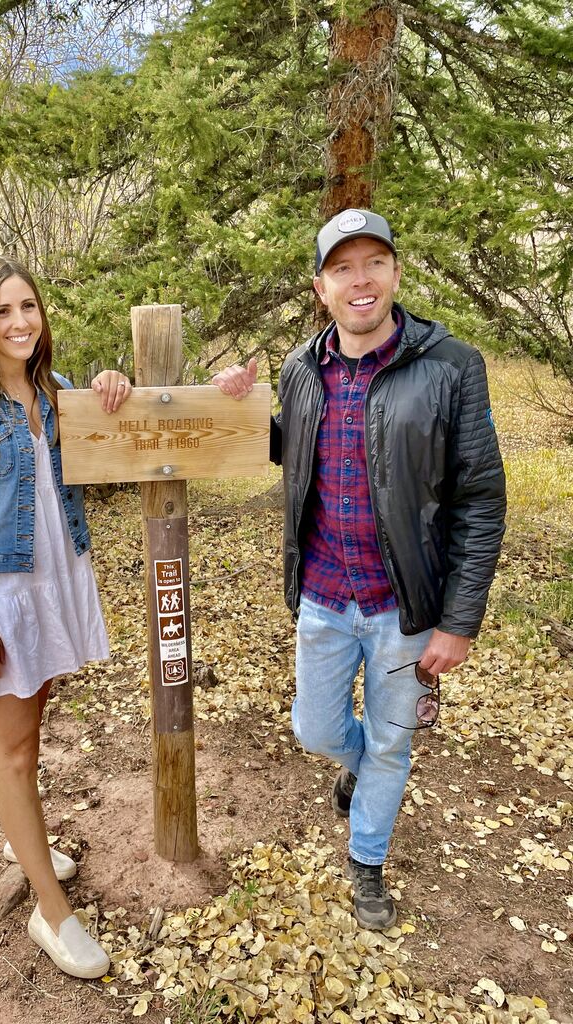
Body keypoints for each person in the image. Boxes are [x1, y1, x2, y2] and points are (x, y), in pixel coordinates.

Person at [212, 209, 506, 929]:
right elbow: (296, 445)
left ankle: (367, 858)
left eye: (374, 261)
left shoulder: (451, 367)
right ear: (322, 287)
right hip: (322, 594)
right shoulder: (300, 368)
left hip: (406, 606)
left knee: (391, 741)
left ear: (396, 273)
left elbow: (481, 499)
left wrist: (458, 622)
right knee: (316, 730)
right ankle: (359, 764)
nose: (360, 280)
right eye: (342, 267)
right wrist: (243, 407)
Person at [0, 254, 132, 977]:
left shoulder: (58, 391)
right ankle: (51, 912)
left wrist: (115, 388)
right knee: (12, 751)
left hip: (57, 579)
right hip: (1, 599)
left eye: (29, 308)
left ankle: (25, 838)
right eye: (2, 311)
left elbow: (116, 450)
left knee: (30, 734)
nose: (18, 323)